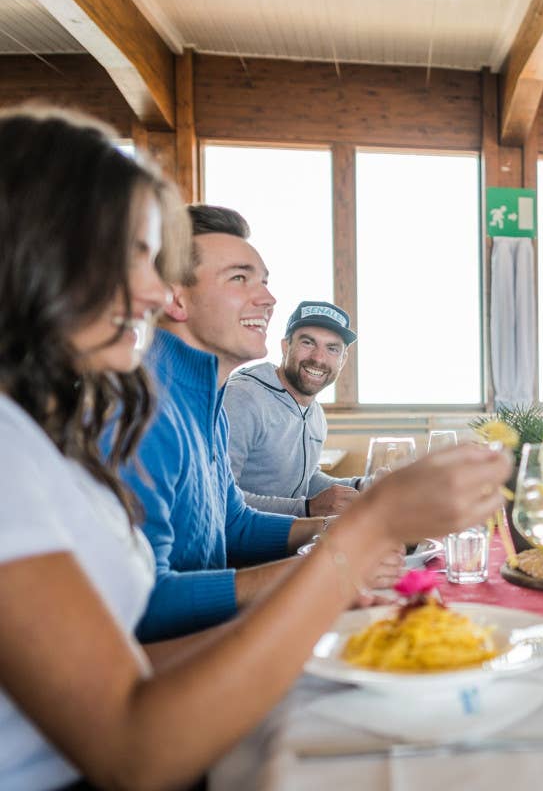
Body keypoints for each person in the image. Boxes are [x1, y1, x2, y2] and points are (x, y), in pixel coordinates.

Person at [0, 106, 511, 789]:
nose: (155, 292)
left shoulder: (49, 423)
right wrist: (358, 537)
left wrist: (325, 581)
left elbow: (135, 646)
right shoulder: (102, 418)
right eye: (132, 257)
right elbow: (132, 743)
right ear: (40, 249)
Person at [118, 205, 365, 641]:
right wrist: (326, 569)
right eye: (239, 278)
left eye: (264, 282)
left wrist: (346, 530)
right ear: (176, 298)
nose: (268, 299)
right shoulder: (142, 412)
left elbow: (234, 525)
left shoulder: (208, 404)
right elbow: (140, 604)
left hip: (212, 638)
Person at [224, 300, 363, 517]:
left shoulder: (315, 412)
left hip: (287, 539)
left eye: (332, 349)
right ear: (285, 346)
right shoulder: (243, 397)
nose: (318, 358)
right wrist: (307, 509)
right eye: (308, 343)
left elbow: (305, 479)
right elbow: (219, 497)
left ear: (343, 360)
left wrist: (361, 486)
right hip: (239, 549)